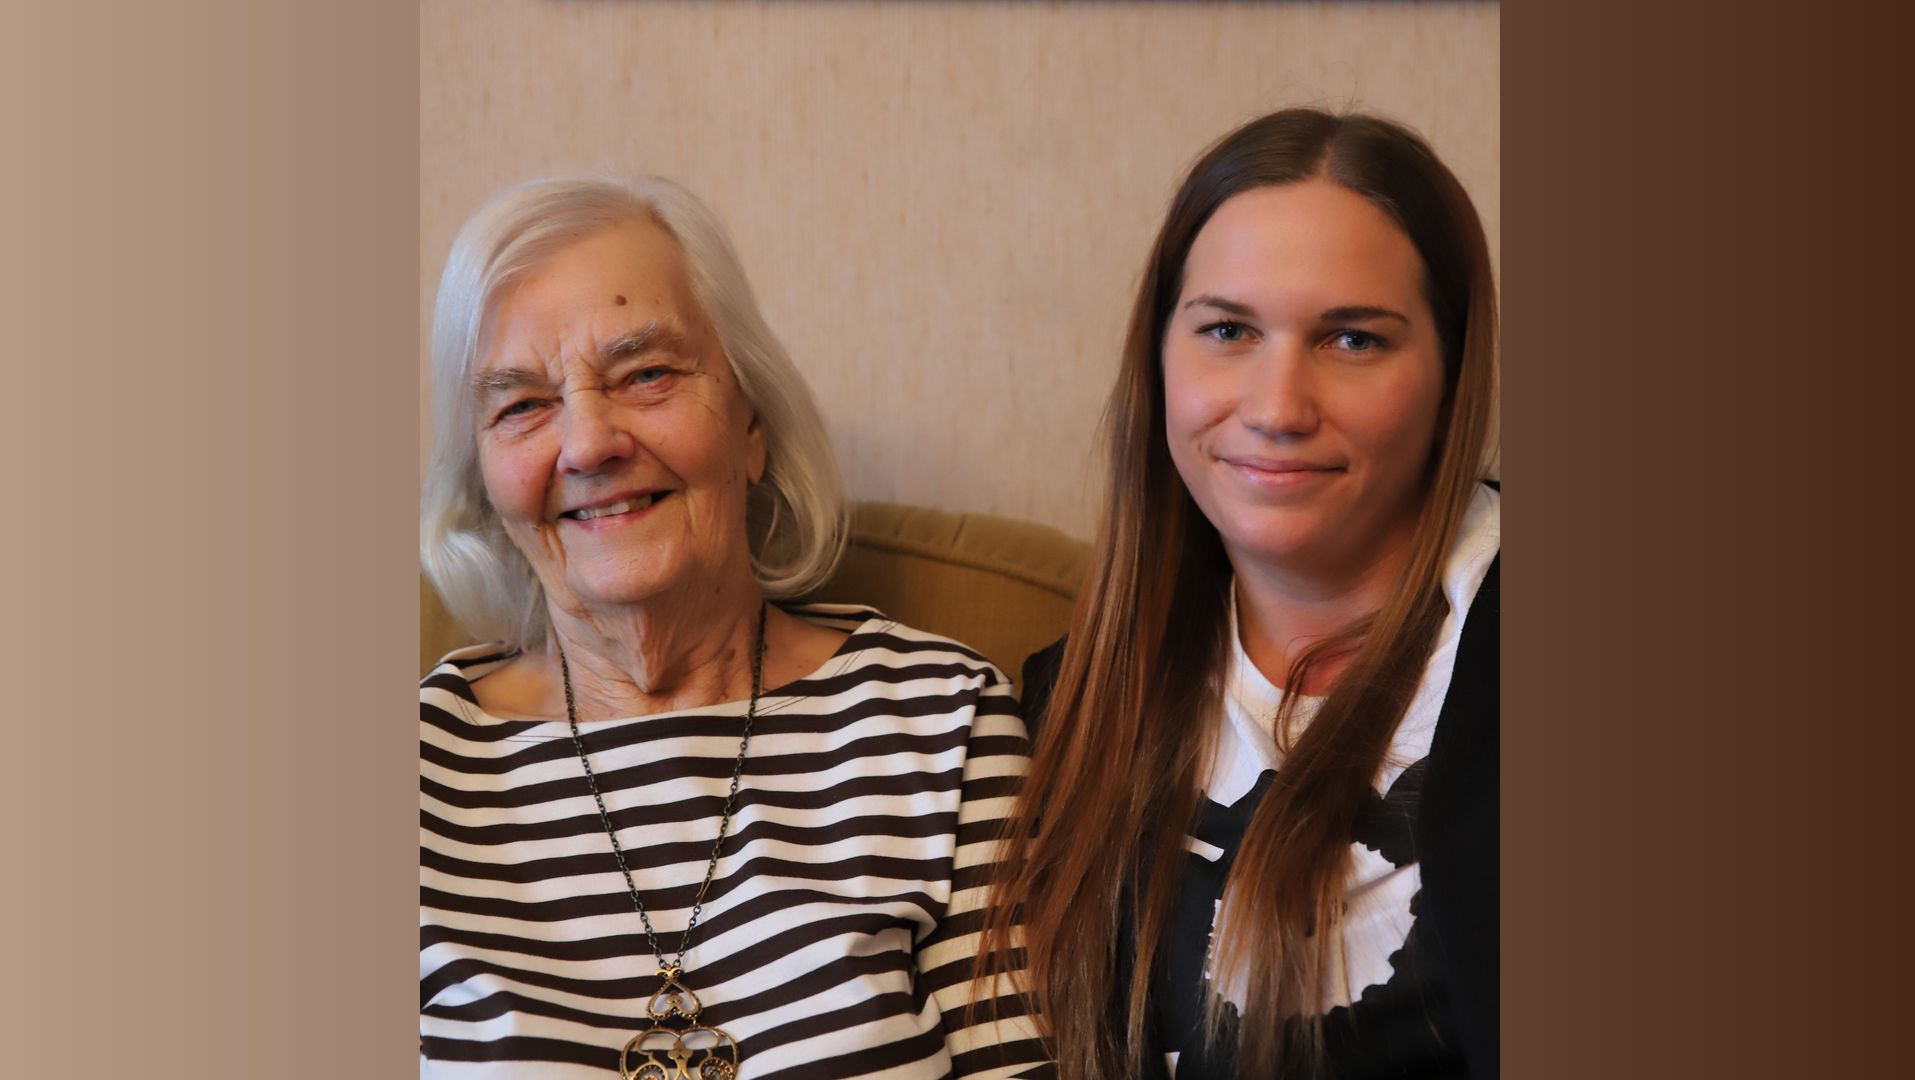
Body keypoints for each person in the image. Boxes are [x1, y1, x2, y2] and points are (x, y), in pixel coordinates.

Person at [419, 175, 1047, 1077]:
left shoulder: (941, 723)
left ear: (752, 424)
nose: (589, 444)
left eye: (646, 374)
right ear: (483, 479)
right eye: (521, 405)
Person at [979, 109, 1500, 1079]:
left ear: (1451, 380)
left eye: (1353, 340)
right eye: (1227, 330)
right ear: (1159, 361)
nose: (1277, 408)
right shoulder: (1062, 706)